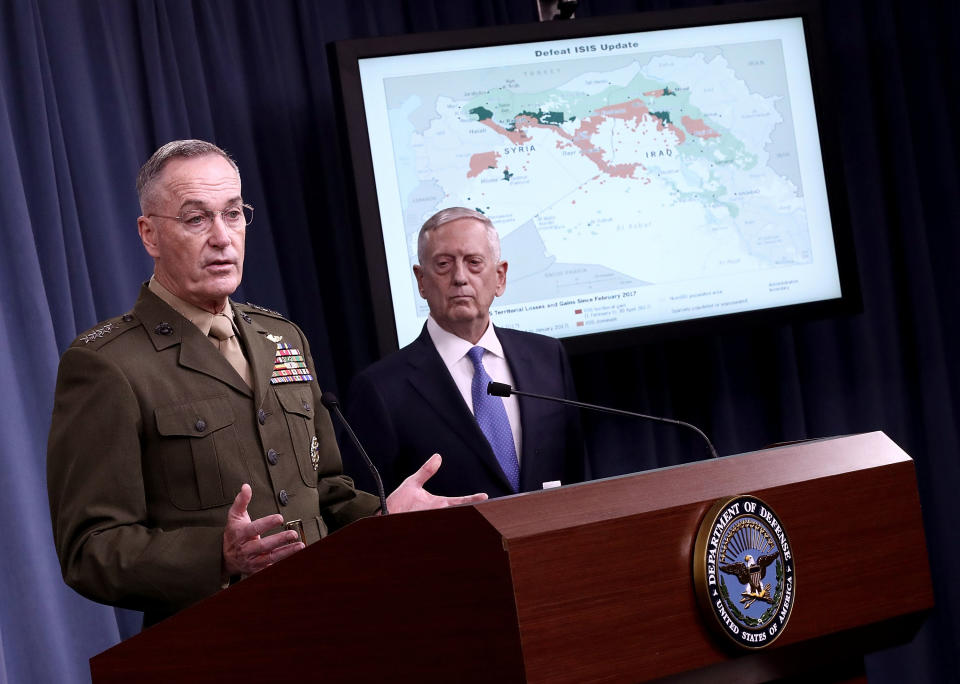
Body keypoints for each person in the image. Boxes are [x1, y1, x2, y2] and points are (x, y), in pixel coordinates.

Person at [46, 140, 485, 628]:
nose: (222, 237)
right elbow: (90, 549)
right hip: (215, 646)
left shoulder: (282, 337)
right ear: (149, 234)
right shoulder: (107, 364)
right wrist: (218, 554)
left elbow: (325, 493)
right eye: (197, 219)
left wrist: (384, 517)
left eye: (233, 215)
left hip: (331, 628)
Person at [343, 208, 586, 500]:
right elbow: (369, 509)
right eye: (444, 264)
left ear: (500, 277)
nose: (460, 277)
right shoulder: (380, 388)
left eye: (474, 262)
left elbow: (576, 477)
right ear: (421, 280)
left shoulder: (547, 356)